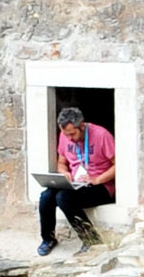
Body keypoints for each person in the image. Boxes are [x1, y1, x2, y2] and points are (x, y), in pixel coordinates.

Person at [38, 98, 118, 254]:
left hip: (100, 185)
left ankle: (91, 240)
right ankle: (48, 239)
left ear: (82, 126)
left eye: (72, 134)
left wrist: (98, 179)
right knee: (46, 196)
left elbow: (119, 165)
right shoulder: (65, 136)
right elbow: (61, 162)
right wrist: (64, 173)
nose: (69, 138)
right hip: (76, 183)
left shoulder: (101, 135)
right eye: (65, 134)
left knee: (63, 198)